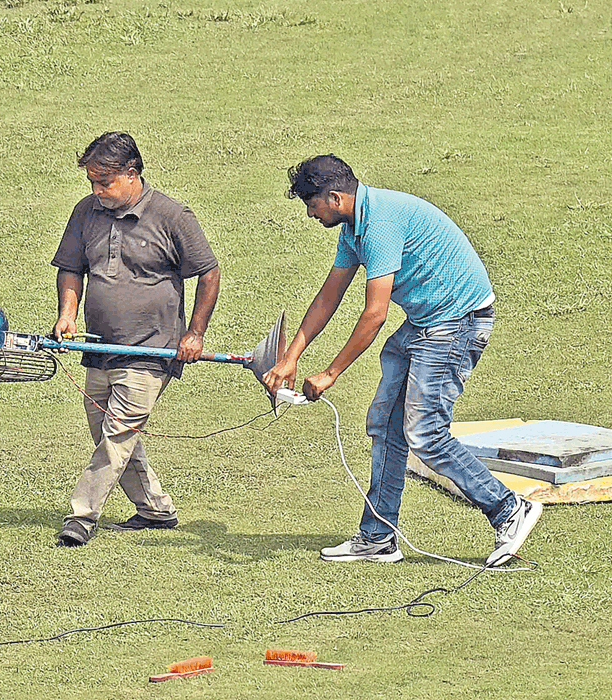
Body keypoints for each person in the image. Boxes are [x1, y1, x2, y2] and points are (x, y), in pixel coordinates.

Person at [263, 154, 541, 567]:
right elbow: (329, 296)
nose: (310, 213)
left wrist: (330, 373)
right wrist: (291, 357)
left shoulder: (381, 224)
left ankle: (508, 508)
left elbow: (374, 314)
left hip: (457, 321)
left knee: (426, 432)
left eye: (312, 204)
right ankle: (377, 537)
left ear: (335, 198)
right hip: (427, 321)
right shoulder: (356, 225)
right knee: (386, 425)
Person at [49, 132, 221, 547]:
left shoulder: (172, 216)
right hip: (98, 347)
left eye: (104, 182)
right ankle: (155, 510)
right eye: (92, 182)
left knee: (118, 434)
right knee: (109, 434)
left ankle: (81, 516)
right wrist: (67, 313)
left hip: (152, 349)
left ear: (132, 173)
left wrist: (194, 334)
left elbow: (209, 273)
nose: (97, 191)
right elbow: (71, 268)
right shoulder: (86, 212)